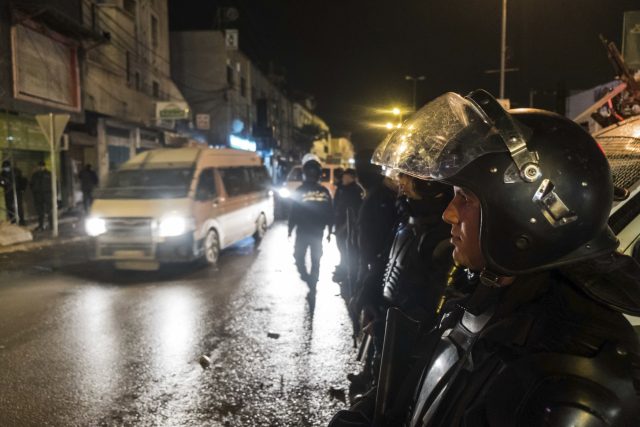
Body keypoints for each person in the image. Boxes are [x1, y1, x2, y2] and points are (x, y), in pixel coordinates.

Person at [330, 90, 640, 426]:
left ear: (524, 211)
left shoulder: (568, 374)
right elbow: (408, 399)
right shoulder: (488, 302)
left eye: (464, 197)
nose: (448, 214)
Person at [288, 158, 333, 288]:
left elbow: (293, 212)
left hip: (304, 231)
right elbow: (330, 212)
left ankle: (310, 280)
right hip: (317, 232)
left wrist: (290, 229)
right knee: (315, 257)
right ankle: (313, 280)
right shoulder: (324, 191)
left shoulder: (300, 190)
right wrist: (329, 231)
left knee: (300, 256)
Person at [333, 168, 364, 285]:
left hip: (348, 226)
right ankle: (344, 268)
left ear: (352, 178)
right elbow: (336, 205)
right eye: (343, 177)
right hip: (340, 223)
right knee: (341, 248)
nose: (343, 179)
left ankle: (348, 273)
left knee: (348, 249)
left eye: (346, 177)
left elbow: (354, 210)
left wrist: (344, 227)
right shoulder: (341, 189)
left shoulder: (355, 190)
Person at [0, 160, 27, 225]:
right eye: (4, 168)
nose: (6, 169)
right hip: (8, 191)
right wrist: (3, 184)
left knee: (19, 206)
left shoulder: (17, 171)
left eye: (7, 167)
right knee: (9, 206)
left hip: (17, 191)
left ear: (10, 166)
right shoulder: (2, 174)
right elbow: (1, 182)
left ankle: (21, 221)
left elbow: (24, 180)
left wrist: (22, 189)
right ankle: (13, 220)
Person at [31, 160, 53, 231]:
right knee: (40, 212)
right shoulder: (35, 175)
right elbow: (32, 184)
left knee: (49, 210)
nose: (40, 167)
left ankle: (52, 225)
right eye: (39, 166)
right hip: (39, 195)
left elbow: (55, 184)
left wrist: (54, 194)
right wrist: (34, 192)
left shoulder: (49, 174)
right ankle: (41, 225)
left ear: (44, 166)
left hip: (47, 194)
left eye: (42, 166)